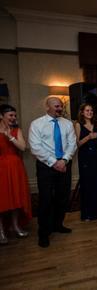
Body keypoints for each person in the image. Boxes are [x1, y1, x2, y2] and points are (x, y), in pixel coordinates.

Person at [29, 97, 77, 248]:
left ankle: (58, 224)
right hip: (45, 166)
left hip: (64, 164)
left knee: (63, 197)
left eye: (61, 106)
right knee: (46, 199)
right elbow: (35, 147)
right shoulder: (37, 124)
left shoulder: (67, 124)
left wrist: (64, 160)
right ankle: (43, 232)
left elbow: (72, 144)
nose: (60, 108)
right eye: (56, 106)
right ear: (47, 107)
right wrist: (53, 162)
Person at [0, 104, 32, 245]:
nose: (13, 118)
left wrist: (10, 137)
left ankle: (15, 226)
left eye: (14, 115)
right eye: (10, 115)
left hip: (15, 168)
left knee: (16, 199)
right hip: (1, 168)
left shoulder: (16, 130)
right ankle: (1, 231)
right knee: (2, 200)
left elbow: (23, 147)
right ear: (1, 116)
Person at [74, 103, 97, 221]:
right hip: (85, 158)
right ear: (82, 112)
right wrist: (88, 137)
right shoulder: (78, 124)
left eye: (91, 110)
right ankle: (88, 214)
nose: (90, 112)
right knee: (87, 184)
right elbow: (77, 144)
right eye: (87, 110)